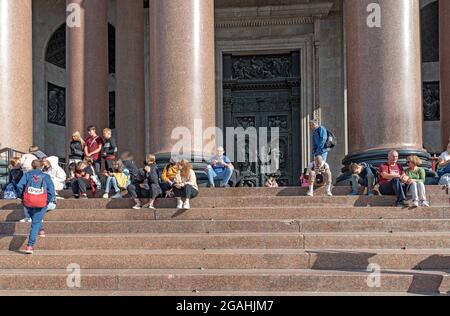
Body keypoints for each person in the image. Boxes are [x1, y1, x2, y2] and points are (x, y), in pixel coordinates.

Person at [16, 159, 55, 255]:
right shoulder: (46, 176)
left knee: (35, 219)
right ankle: (30, 246)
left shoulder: (27, 175)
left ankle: (41, 230)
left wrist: (21, 197)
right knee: (36, 223)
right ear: (42, 166)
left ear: (32, 166)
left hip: (28, 201)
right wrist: (47, 201)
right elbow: (51, 191)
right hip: (41, 202)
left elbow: (20, 186)